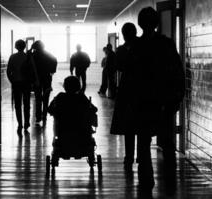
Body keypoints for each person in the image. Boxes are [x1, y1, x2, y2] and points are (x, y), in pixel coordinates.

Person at [111, 7, 185, 194]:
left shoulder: (135, 46)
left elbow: (126, 73)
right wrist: (177, 97)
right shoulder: (166, 44)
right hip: (163, 101)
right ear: (157, 23)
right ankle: (169, 181)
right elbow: (177, 71)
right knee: (167, 142)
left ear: (140, 24)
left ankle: (146, 181)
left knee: (143, 143)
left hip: (142, 101)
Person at [111, 23, 139, 171]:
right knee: (141, 125)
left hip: (127, 89)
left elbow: (119, 66)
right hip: (142, 88)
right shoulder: (142, 46)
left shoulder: (121, 50)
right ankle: (141, 154)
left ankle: (129, 157)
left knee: (129, 126)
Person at [48, 76, 97, 142]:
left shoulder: (60, 97)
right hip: (82, 131)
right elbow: (94, 109)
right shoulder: (81, 97)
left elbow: (50, 110)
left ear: (65, 86)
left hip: (62, 131)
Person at [7, 39, 35, 136]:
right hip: (26, 83)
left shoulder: (12, 57)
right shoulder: (28, 57)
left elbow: (8, 71)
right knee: (26, 104)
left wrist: (12, 81)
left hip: (16, 83)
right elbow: (32, 70)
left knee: (18, 105)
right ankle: (27, 122)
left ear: (16, 46)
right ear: (24, 46)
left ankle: (20, 124)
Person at [31, 40, 57, 125]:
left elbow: (29, 66)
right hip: (47, 78)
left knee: (38, 98)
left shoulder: (33, 55)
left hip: (36, 79)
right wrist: (52, 71)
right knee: (46, 98)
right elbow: (54, 61)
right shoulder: (49, 54)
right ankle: (44, 116)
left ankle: (38, 117)